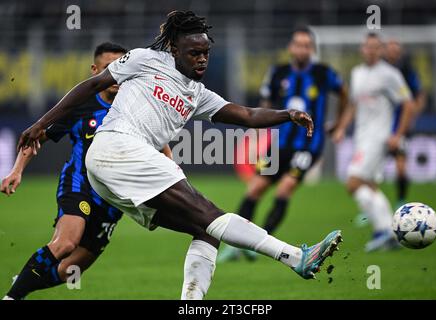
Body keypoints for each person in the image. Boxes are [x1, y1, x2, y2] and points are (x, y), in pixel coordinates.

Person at [16, 11, 342, 300]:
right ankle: (294, 257)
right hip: (117, 146)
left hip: (114, 168)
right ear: (174, 49)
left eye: (206, 53)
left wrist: (288, 114)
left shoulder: (198, 95)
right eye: (194, 53)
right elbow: (91, 85)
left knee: (206, 230)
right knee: (211, 214)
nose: (201, 59)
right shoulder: (145, 59)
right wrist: (42, 123)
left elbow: (246, 115)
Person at [2, 43, 169, 300]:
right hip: (79, 185)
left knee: (70, 271)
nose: (116, 77)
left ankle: (22, 283)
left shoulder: (134, 107)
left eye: (120, 70)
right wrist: (17, 170)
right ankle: (13, 297)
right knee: (66, 243)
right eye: (108, 69)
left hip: (113, 200)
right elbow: (37, 137)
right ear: (95, 70)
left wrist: (171, 171)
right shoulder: (80, 105)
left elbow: (161, 144)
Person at [219, 26, 348, 262]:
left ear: (313, 49)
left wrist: (339, 124)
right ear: (291, 47)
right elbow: (265, 103)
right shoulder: (278, 72)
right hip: (279, 145)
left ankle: (260, 244)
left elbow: (344, 95)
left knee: (285, 188)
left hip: (308, 146)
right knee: (255, 189)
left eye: (306, 46)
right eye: (298, 44)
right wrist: (258, 131)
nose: (301, 49)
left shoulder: (323, 73)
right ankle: (237, 247)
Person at [332, 33, 414, 252]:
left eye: (376, 47)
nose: (371, 51)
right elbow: (352, 105)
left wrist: (398, 134)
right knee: (368, 185)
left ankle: (384, 230)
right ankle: (389, 232)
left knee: (353, 182)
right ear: (362, 49)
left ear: (381, 51)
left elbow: (408, 104)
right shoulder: (357, 73)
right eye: (368, 47)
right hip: (361, 137)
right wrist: (341, 128)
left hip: (378, 138)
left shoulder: (390, 74)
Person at [384, 39, 426, 206]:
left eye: (396, 49)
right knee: (373, 170)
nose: (393, 52)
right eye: (390, 48)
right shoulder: (380, 70)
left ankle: (401, 200)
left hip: (400, 126)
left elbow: (419, 95)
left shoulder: (407, 70)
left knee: (401, 166)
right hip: (381, 126)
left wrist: (412, 115)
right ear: (386, 51)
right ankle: (371, 206)